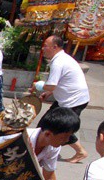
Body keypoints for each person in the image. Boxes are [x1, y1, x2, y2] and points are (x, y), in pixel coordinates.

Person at [35, 35, 90, 163]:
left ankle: (80, 151)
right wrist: (48, 92)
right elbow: (59, 82)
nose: (43, 49)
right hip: (67, 99)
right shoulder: (62, 59)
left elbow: (52, 84)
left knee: (59, 127)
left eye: (46, 46)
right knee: (46, 125)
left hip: (74, 100)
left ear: (55, 47)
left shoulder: (58, 62)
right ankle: (43, 150)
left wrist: (40, 85)